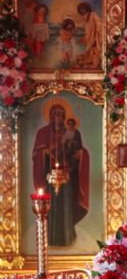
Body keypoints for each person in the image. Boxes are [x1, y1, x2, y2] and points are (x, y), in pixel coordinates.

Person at [32, 102, 90, 247]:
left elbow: (79, 151)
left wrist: (81, 154)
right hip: (49, 177)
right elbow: (36, 154)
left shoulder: (73, 132)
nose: (59, 117)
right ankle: (50, 238)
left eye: (62, 115)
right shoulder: (43, 132)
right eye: (56, 114)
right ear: (51, 116)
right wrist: (45, 152)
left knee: (67, 206)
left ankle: (68, 237)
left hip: (68, 176)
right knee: (52, 207)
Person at [76, 2, 102, 69]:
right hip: (92, 44)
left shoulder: (93, 16)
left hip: (96, 43)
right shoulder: (87, 22)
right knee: (89, 54)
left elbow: (100, 28)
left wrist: (96, 38)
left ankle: (94, 64)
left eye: (83, 15)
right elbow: (89, 35)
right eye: (81, 15)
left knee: (94, 53)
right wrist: (84, 39)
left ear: (87, 12)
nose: (82, 17)